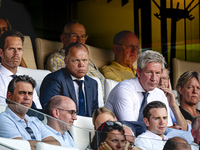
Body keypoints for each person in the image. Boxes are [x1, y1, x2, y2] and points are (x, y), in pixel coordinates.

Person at [105, 50, 173, 126]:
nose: (154, 78)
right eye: (149, 72)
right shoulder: (124, 90)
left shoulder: (159, 94)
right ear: (138, 72)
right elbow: (131, 127)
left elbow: (167, 127)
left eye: (157, 73)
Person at [45, 20, 105, 98]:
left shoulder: (89, 61)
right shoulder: (57, 58)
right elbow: (66, 86)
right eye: (74, 35)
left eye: (82, 36)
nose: (79, 40)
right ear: (63, 38)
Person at [0, 75, 60, 149]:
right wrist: (44, 144)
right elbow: (20, 147)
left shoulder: (35, 120)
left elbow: (56, 145)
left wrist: (31, 144)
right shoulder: (3, 119)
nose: (27, 97)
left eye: (30, 93)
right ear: (9, 96)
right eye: (22, 93)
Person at [40, 42, 98, 117]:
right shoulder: (54, 79)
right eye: (76, 60)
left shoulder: (92, 83)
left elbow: (95, 113)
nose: (81, 65)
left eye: (84, 60)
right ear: (66, 62)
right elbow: (50, 111)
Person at [0, 30, 41, 108]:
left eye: (19, 49)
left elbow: (38, 111)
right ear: (1, 52)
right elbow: (2, 110)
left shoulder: (27, 80)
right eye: (11, 48)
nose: (16, 53)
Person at [157, 63, 189, 131]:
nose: (162, 83)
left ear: (169, 81)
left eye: (164, 78)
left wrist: (173, 105)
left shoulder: (169, 101)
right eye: (158, 78)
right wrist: (169, 128)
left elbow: (184, 129)